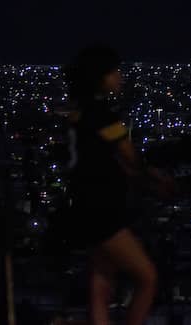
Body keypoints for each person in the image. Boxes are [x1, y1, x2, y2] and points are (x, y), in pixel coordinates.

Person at [64, 45, 172, 325]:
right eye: (114, 73)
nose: (119, 78)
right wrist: (153, 177)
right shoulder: (102, 115)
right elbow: (128, 155)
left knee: (101, 281)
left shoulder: (78, 113)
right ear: (101, 77)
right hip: (103, 209)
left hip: (83, 205)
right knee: (147, 277)